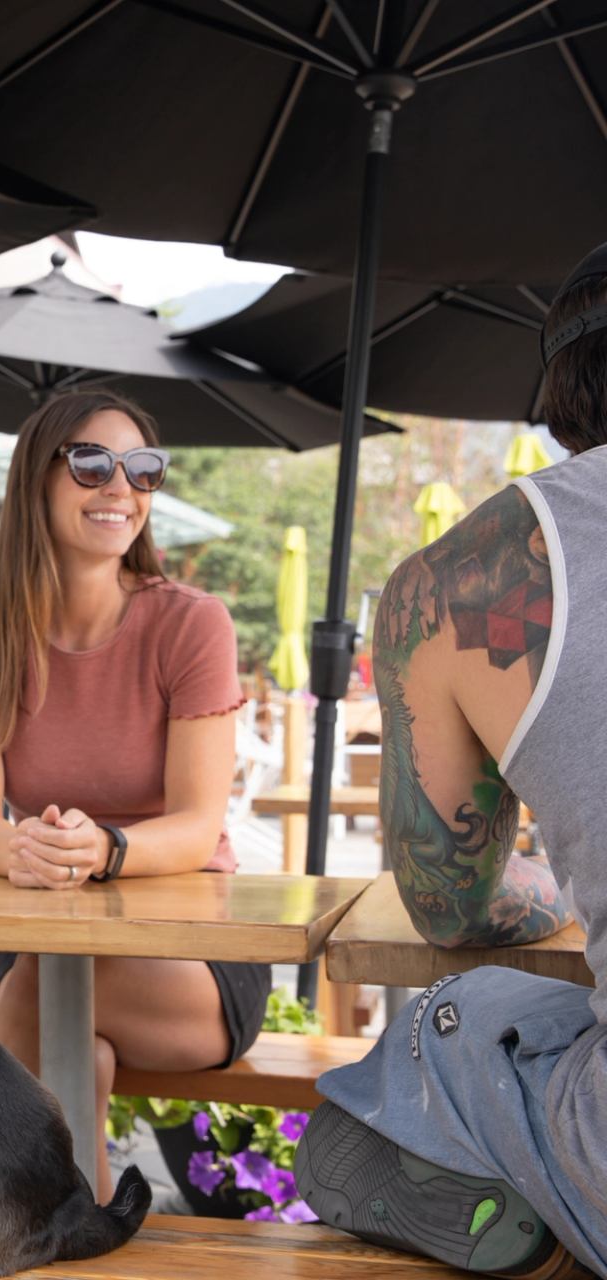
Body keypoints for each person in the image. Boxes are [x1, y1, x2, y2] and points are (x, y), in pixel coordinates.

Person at [299, 247, 607, 1278]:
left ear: (560, 394)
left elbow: (447, 902)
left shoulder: (465, 579)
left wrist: (553, 889)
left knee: (464, 1016)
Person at [0, 390, 261, 1200]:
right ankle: (83, 1236)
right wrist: (30, 849)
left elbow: (194, 827)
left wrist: (104, 848)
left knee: (39, 997)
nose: (121, 488)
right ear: (35, 479)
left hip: (191, 961)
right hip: (47, 938)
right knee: (72, 1052)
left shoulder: (191, 625)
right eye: (91, 464)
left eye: (142, 470)